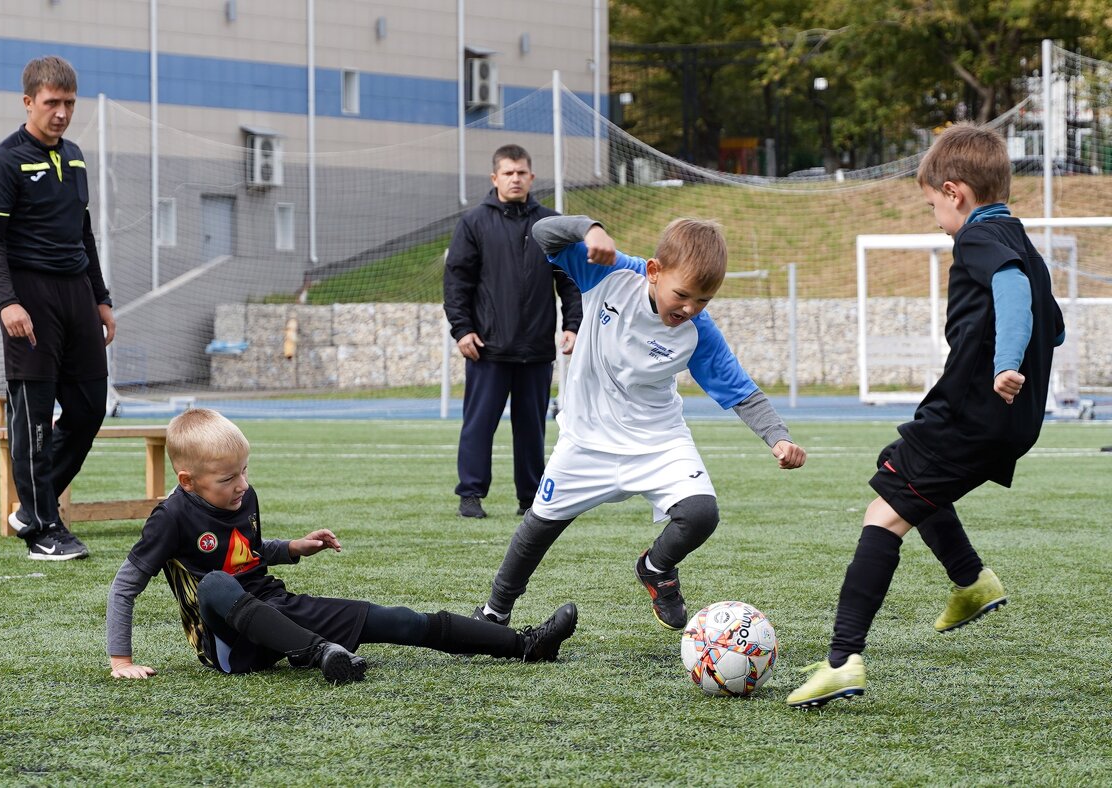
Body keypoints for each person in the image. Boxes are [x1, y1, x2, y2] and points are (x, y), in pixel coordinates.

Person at [786, 124, 1066, 710]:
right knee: (903, 477)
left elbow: (1013, 294)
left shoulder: (981, 240)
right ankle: (970, 581)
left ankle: (842, 660)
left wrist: (1006, 363)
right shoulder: (1023, 241)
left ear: (955, 191)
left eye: (933, 204)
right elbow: (1055, 325)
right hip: (1014, 423)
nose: (934, 216)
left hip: (973, 411)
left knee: (884, 510)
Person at [472, 214, 807, 631]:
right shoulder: (609, 275)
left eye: (703, 300)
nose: (689, 309)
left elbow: (742, 391)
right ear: (653, 271)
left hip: (657, 440)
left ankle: (656, 567)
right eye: (682, 295)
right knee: (537, 528)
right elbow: (541, 233)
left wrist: (778, 439)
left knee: (701, 513)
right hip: (586, 441)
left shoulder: (697, 331)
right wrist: (588, 230)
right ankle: (494, 612)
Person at [107, 408, 578, 682]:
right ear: (187, 481)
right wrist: (120, 660)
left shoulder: (244, 495)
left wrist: (292, 547)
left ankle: (525, 644)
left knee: (398, 619)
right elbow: (125, 585)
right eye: (228, 478)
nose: (242, 485)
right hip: (229, 646)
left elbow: (246, 551)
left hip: (277, 608)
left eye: (245, 471)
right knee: (214, 584)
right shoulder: (170, 516)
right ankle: (320, 654)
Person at [0, 55, 116, 561]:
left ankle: (32, 506)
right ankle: (42, 530)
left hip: (77, 293)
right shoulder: (4, 160)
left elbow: (85, 233)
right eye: (52, 103)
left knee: (88, 407)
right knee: (33, 418)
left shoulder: (76, 156)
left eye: (69, 103)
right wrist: (7, 301)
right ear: (29, 102)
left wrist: (101, 298)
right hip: (29, 298)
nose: (61, 113)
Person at [443, 144, 583, 519]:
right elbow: (457, 282)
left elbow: (570, 281)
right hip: (487, 347)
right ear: (495, 178)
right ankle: (470, 495)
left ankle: (531, 499)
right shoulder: (473, 223)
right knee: (478, 425)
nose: (516, 178)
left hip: (536, 347)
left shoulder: (550, 224)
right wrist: (462, 330)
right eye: (508, 173)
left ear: (532, 177)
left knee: (531, 429)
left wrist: (572, 324)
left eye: (521, 172)